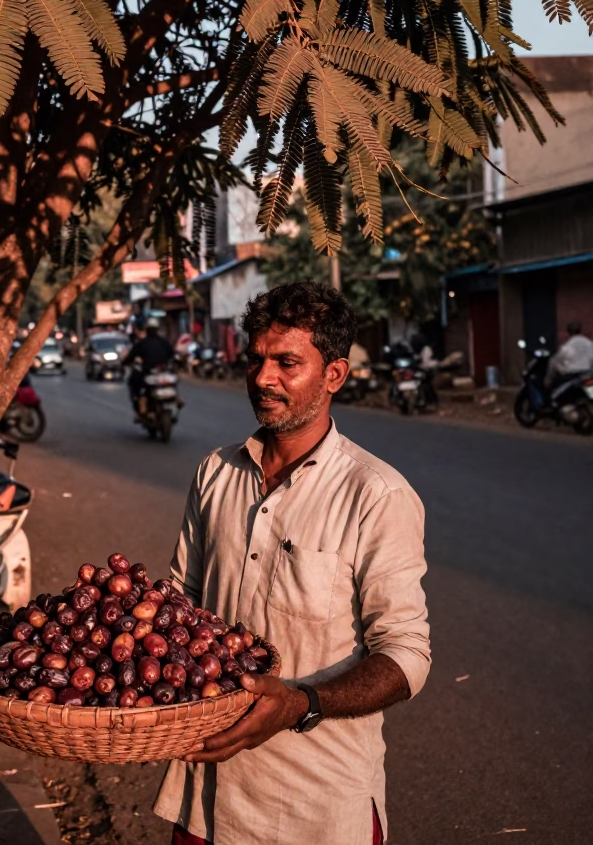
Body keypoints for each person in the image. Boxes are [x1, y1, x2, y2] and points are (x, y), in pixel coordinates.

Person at [154, 281, 430, 845]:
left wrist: (301, 703)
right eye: (255, 360)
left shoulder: (375, 494)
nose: (262, 379)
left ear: (334, 375)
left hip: (316, 808)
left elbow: (406, 656)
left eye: (287, 362)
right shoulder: (215, 473)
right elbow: (177, 606)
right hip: (203, 796)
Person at [124, 317, 175, 411]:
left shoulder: (142, 343)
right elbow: (173, 355)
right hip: (162, 372)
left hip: (150, 372)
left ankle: (141, 404)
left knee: (135, 383)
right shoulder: (165, 343)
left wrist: (124, 363)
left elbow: (130, 357)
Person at [547, 320, 593, 387]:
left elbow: (555, 361)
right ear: (580, 330)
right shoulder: (589, 343)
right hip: (587, 375)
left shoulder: (567, 346)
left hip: (571, 376)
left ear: (568, 332)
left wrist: (549, 376)